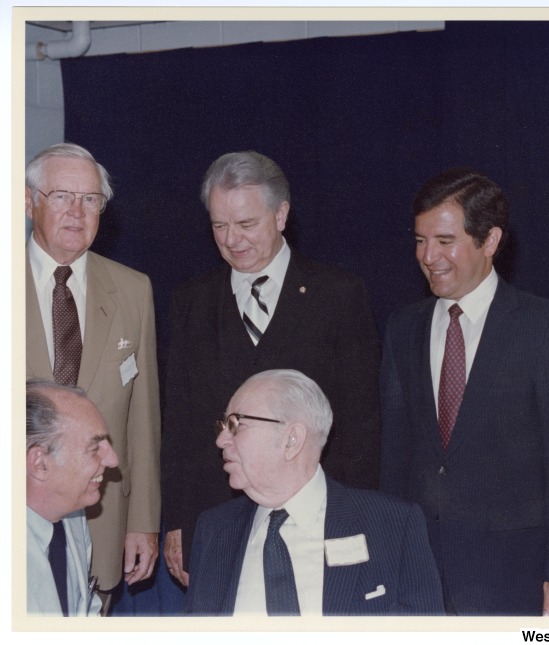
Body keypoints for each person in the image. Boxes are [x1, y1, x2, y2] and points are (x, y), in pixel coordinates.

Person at [379, 167, 549, 616]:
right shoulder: (403, 328)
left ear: (491, 241)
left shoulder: (548, 327)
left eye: (445, 241)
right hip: (419, 573)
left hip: (517, 577)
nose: (428, 256)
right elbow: (395, 456)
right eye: (420, 240)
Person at [162, 151, 381, 586]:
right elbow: (180, 425)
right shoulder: (190, 302)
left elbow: (361, 423)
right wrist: (177, 522)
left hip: (316, 517)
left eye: (246, 224)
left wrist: (354, 518)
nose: (232, 240)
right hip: (214, 518)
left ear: (281, 215)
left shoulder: (339, 295)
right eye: (219, 226)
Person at [185, 369, 444, 615]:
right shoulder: (214, 531)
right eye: (222, 426)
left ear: (292, 440)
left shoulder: (391, 525)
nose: (221, 440)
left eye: (236, 425)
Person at [25, 143, 161, 601]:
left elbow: (142, 418)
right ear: (29, 202)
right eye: (62, 196)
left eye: (91, 200)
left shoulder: (132, 289)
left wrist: (142, 520)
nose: (77, 212)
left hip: (102, 522)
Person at [26, 379, 120, 616]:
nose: (113, 460)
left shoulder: (72, 516)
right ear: (40, 464)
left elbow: (85, 609)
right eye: (94, 447)